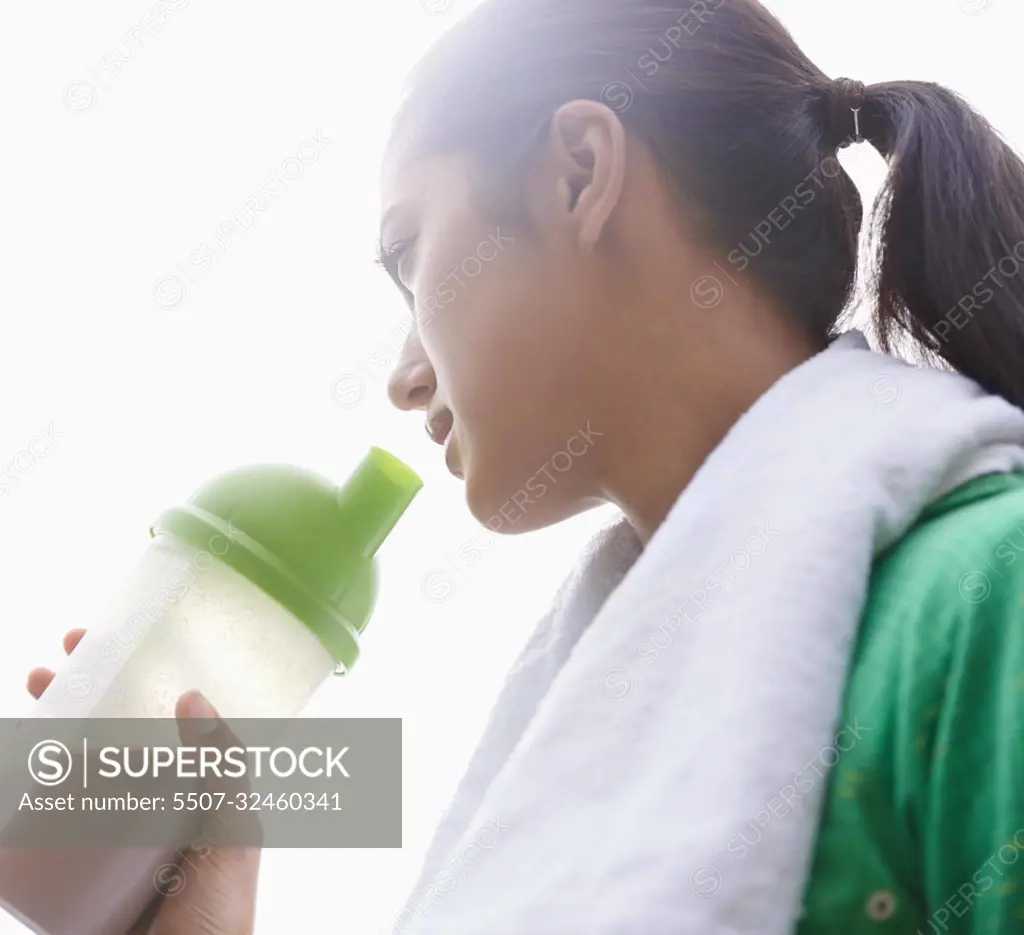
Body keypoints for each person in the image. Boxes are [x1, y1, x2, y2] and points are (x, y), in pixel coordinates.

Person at [29, 0, 1024, 931]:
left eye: (412, 251)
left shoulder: (991, 593)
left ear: (581, 173)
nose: (405, 381)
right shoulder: (583, 717)